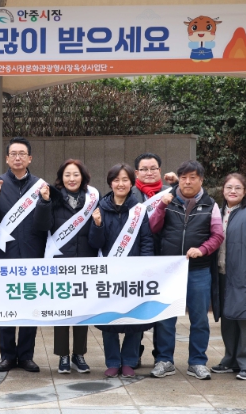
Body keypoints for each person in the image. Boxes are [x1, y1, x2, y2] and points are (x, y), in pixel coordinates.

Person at [148, 160, 224, 380]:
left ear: (201, 180)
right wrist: (161, 206)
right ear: (178, 180)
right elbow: (153, 227)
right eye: (183, 178)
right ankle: (164, 360)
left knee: (199, 319)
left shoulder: (210, 204)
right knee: (166, 318)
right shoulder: (167, 199)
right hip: (169, 271)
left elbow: (218, 235)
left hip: (198, 270)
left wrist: (202, 249)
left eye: (193, 177)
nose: (188, 182)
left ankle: (197, 362)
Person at [0, 136, 47, 373]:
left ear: (30, 158)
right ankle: (8, 355)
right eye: (13, 154)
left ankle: (26, 355)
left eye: (22, 154)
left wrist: (45, 201)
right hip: (6, 253)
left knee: (30, 303)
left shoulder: (40, 186)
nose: (18, 158)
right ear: (7, 158)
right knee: (7, 304)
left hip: (33, 253)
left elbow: (45, 222)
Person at [88, 163, 154, 378]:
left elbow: (146, 240)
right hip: (109, 273)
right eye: (116, 180)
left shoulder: (139, 210)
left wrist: (144, 267)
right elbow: (95, 243)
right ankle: (113, 361)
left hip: (134, 273)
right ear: (110, 183)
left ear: (132, 183)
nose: (121, 184)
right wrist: (97, 224)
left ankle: (129, 361)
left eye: (125, 180)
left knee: (134, 318)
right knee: (109, 318)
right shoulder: (100, 207)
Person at [33, 159, 97, 374]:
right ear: (61, 178)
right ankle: (63, 355)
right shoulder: (53, 198)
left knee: (82, 310)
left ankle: (79, 354)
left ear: (83, 177)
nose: (72, 179)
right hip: (59, 263)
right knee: (62, 310)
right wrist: (44, 202)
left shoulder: (92, 199)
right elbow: (41, 225)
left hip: (85, 262)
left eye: (76, 174)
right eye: (67, 175)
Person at [210, 173, 246, 381]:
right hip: (223, 273)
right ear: (223, 190)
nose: (232, 191)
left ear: (245, 192)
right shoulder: (217, 212)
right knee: (228, 318)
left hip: (245, 274)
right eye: (229, 187)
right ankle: (231, 360)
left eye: (238, 188)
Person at [130, 152, 177, 365]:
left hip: (166, 261)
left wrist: (177, 183)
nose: (149, 173)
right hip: (138, 261)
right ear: (136, 173)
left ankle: (163, 357)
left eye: (153, 169)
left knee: (164, 312)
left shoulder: (172, 192)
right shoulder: (128, 194)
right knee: (136, 310)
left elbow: (192, 195)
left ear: (160, 170)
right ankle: (133, 354)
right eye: (144, 169)